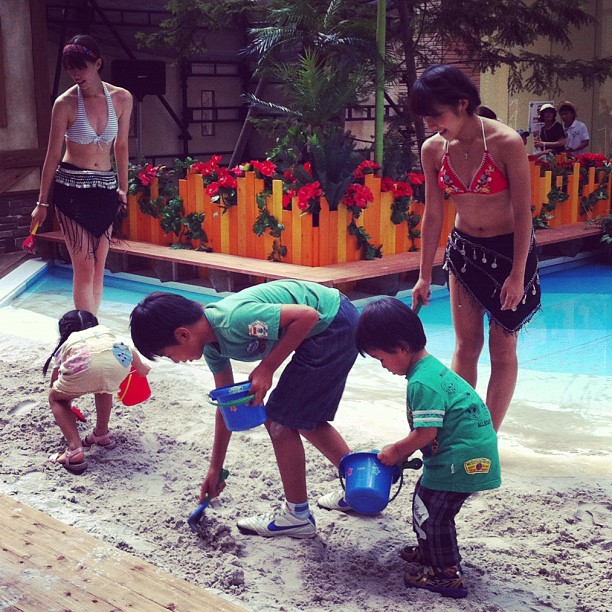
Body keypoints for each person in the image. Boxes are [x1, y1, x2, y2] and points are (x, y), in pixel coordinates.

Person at [129, 280, 359, 538]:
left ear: (183, 335)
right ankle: (360, 484)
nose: (177, 360)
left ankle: (297, 516)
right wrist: (215, 468)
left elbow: (307, 316)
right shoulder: (212, 347)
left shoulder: (234, 320)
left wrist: (267, 367)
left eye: (170, 355)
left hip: (332, 323)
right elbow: (226, 407)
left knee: (278, 420)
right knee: (300, 416)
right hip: (331, 325)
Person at [410, 64, 541, 431]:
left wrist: (517, 274)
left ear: (463, 103)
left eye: (436, 114)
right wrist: (423, 276)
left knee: (503, 351)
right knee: (466, 346)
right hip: (466, 251)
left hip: (509, 251)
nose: (432, 124)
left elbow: (523, 212)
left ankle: (487, 434)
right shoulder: (433, 149)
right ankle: (462, 428)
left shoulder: (506, 143)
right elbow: (433, 215)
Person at [355, 297, 501, 599]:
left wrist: (397, 451)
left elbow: (426, 432)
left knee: (434, 516)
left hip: (461, 458)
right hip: (460, 454)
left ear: (401, 348)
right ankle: (431, 552)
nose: (383, 366)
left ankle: (446, 575)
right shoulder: (428, 370)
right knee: (425, 501)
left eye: (381, 358)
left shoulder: (423, 383)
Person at [31, 34, 133, 315]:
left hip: (105, 189)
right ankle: (84, 333)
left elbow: (121, 146)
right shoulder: (64, 104)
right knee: (84, 266)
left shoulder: (122, 98)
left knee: (100, 266)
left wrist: (123, 187)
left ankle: (92, 328)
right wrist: (42, 203)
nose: (76, 74)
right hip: (71, 189)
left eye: (81, 67)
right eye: (70, 68)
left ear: (97, 63)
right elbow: (52, 155)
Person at [45, 310, 150, 474]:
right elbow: (127, 348)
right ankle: (101, 434)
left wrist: (62, 397)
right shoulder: (103, 332)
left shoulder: (69, 344)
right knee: (105, 385)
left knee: (56, 399)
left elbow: (55, 381)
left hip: (84, 366)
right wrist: (141, 368)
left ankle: (74, 450)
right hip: (118, 363)